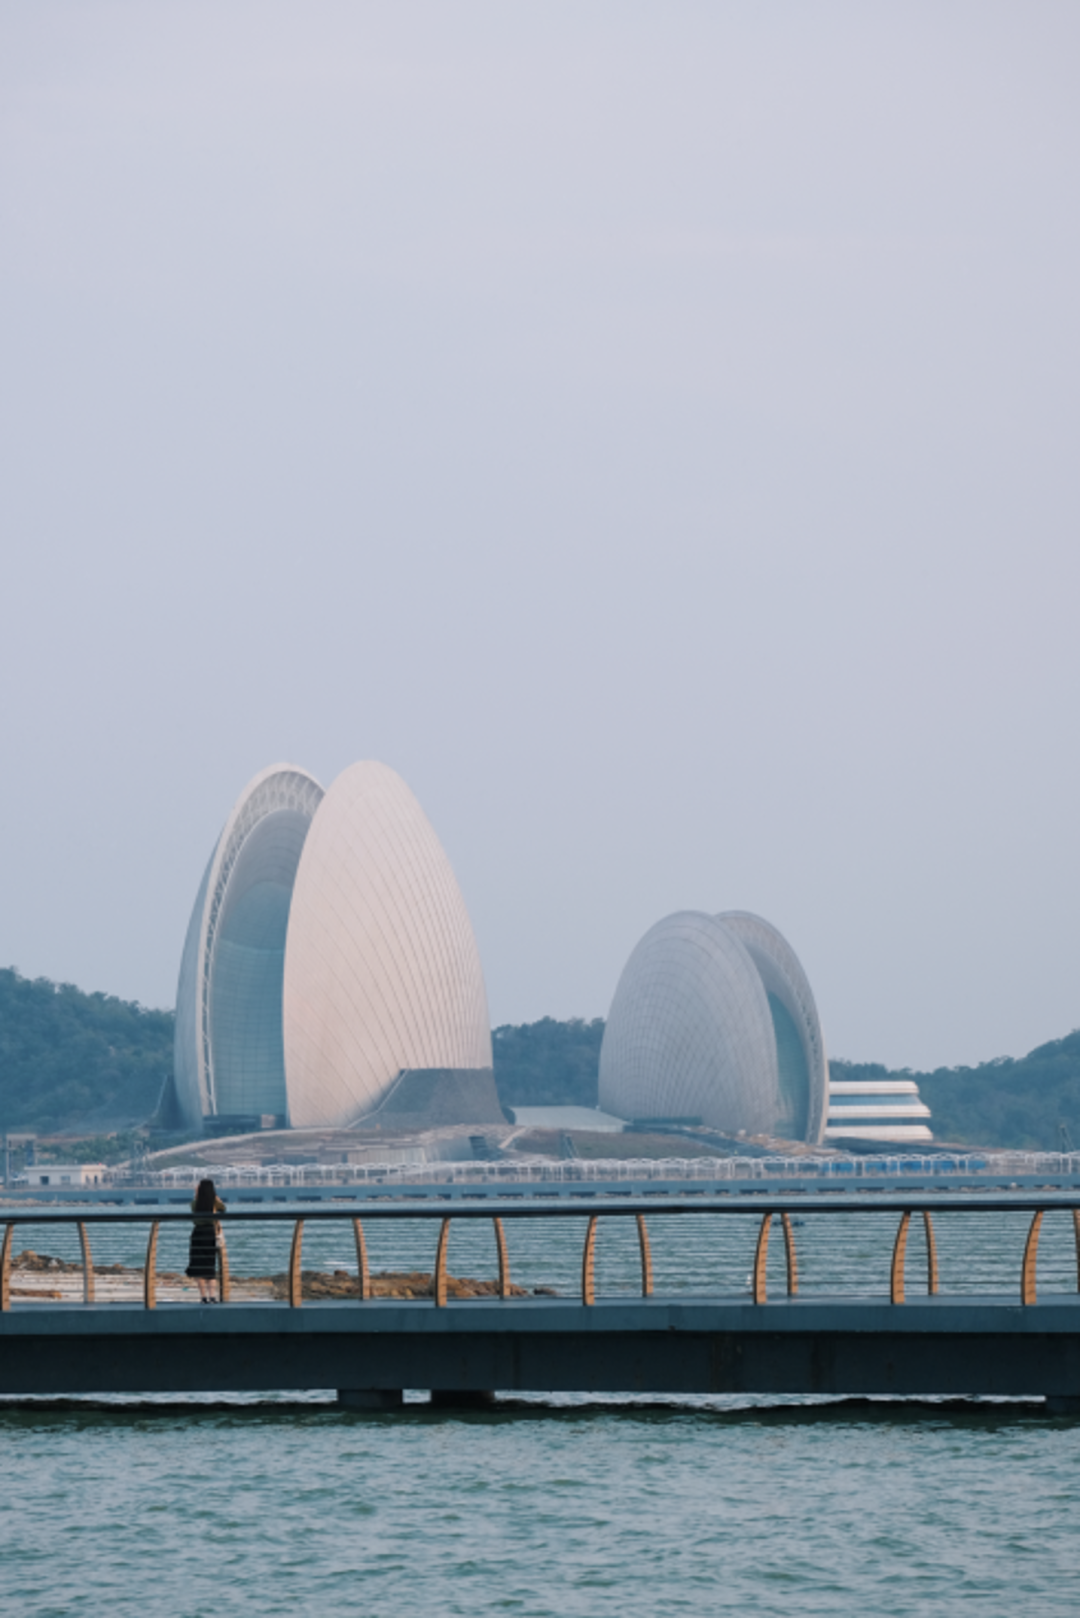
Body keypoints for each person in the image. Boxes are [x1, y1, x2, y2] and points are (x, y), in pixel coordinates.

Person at [187, 1177, 226, 1302]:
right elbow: (223, 1209)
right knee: (210, 1265)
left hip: (197, 1233)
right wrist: (216, 1198)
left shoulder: (195, 1203)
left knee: (199, 1267)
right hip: (210, 1233)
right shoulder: (214, 1203)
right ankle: (212, 1296)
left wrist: (196, 1194)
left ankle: (203, 1297)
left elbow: (193, 1208)